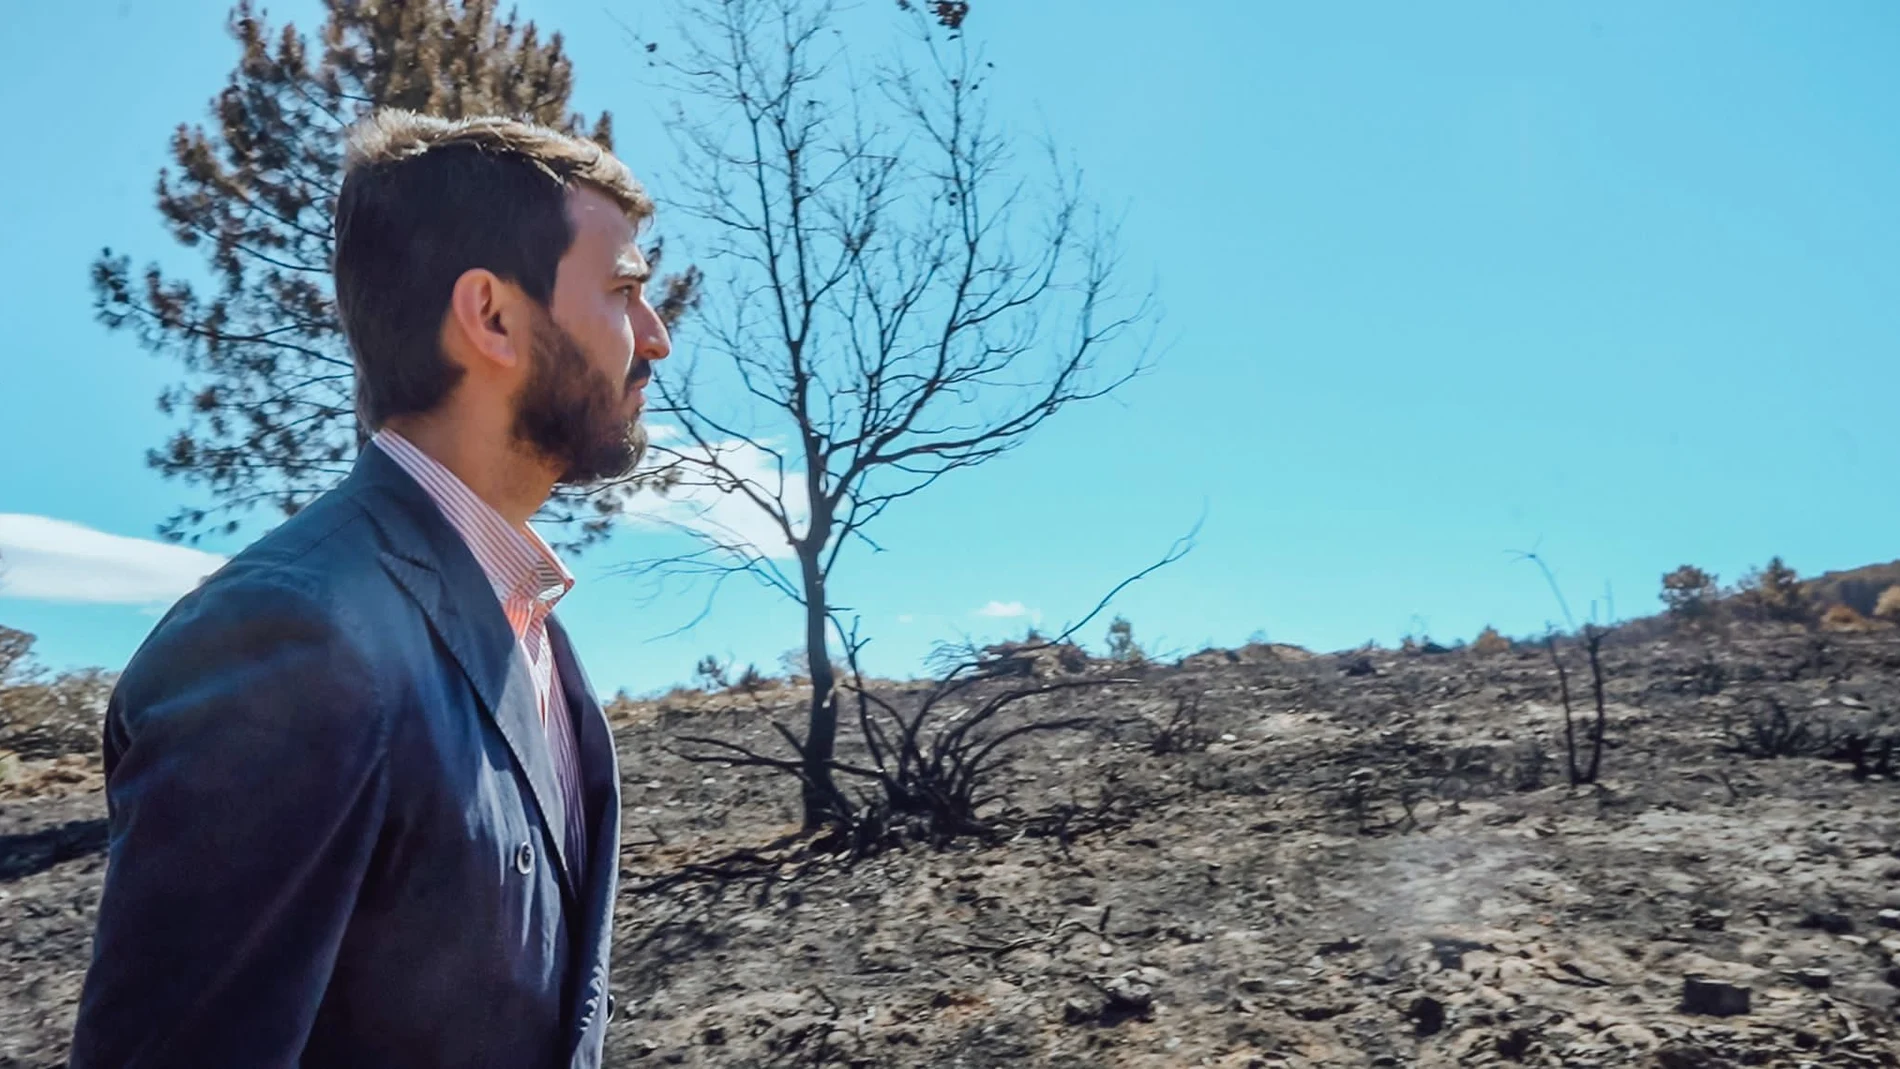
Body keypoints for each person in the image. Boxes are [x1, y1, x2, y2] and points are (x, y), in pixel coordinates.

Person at [69, 109, 671, 1068]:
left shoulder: (536, 634)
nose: (657, 337)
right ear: (494, 318)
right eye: (625, 289)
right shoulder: (289, 634)